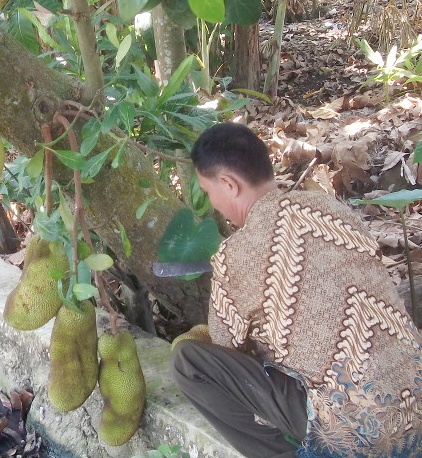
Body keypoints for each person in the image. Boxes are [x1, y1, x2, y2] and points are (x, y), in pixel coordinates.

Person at [170, 122, 422, 458]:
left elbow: (227, 349)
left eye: (208, 190)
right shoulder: (333, 209)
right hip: (416, 399)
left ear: (228, 184)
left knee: (189, 362)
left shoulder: (234, 257)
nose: (212, 203)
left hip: (362, 433)